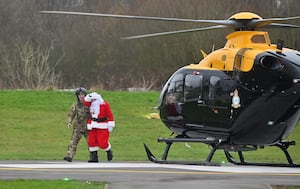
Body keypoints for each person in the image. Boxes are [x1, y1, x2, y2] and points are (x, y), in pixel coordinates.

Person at [84, 92, 115, 162]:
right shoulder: (90, 105)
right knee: (91, 141)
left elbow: (110, 115)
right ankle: (94, 157)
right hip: (92, 125)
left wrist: (111, 125)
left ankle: (108, 150)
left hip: (103, 126)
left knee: (102, 143)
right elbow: (86, 103)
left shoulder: (104, 105)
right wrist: (89, 97)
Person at [63, 87, 90, 162]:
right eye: (79, 95)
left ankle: (93, 157)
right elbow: (71, 114)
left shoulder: (89, 104)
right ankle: (69, 156)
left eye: (83, 94)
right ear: (77, 96)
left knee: (91, 143)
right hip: (78, 127)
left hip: (88, 127)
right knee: (73, 142)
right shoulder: (75, 105)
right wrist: (69, 122)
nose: (81, 96)